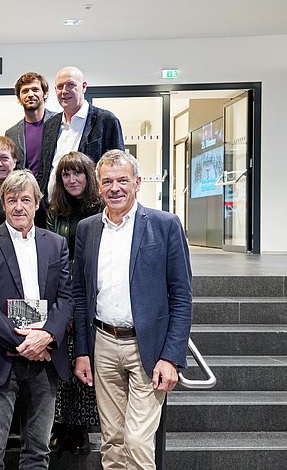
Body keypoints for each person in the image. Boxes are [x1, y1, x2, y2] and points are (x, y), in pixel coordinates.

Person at [73, 150, 193, 469]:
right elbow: (80, 294)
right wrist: (82, 351)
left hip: (148, 348)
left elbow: (181, 296)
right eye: (108, 181)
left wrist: (171, 357)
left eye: (123, 180)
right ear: (98, 187)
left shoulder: (165, 225)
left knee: (138, 441)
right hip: (103, 344)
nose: (115, 188)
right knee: (111, 440)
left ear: (137, 183)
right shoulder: (87, 229)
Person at [0, 169, 73, 470]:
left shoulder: (56, 244)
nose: (18, 207)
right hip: (1, 356)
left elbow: (66, 299)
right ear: (3, 204)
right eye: (11, 200)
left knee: (38, 452)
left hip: (46, 359)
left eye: (25, 199)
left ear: (38, 203)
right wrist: (25, 342)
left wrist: (46, 337)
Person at [45, 151, 103, 453]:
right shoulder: (55, 210)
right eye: (66, 175)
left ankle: (80, 428)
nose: (72, 179)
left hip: (92, 294)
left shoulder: (102, 208)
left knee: (86, 360)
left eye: (77, 173)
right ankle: (62, 424)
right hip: (62, 292)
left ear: (88, 176)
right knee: (64, 361)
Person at [41, 66, 124, 198]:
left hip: (90, 207)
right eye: (60, 86)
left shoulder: (106, 121)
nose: (64, 91)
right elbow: (44, 169)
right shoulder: (50, 125)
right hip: (54, 208)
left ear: (84, 86)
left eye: (70, 85)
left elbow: (118, 168)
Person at [5, 72, 55, 180]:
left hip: (56, 190)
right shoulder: (11, 134)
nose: (30, 94)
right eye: (25, 91)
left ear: (45, 94)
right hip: (26, 191)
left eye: (35, 89)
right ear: (19, 97)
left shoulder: (60, 122)